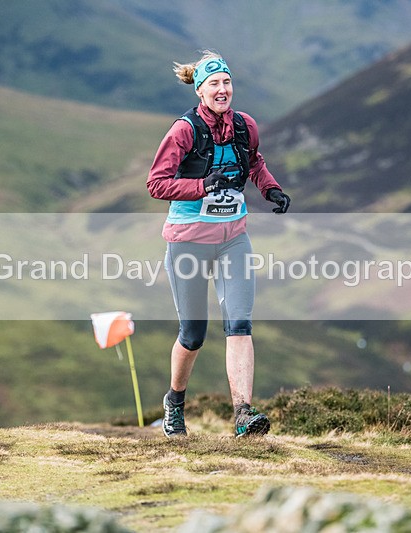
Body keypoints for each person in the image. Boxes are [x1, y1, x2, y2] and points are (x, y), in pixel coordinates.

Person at [147, 50, 291, 438]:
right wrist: (201, 186)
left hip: (233, 240)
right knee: (193, 335)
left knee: (239, 325)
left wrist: (270, 188)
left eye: (227, 82)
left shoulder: (245, 126)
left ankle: (243, 415)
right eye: (214, 84)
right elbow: (156, 183)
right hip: (188, 242)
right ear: (200, 90)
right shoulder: (184, 130)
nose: (223, 89)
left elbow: (254, 161)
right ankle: (174, 403)